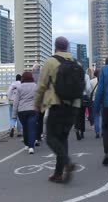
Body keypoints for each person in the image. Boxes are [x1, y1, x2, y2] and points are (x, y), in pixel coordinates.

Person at [34, 36, 82, 183]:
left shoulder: (50, 62)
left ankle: (67, 163)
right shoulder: (76, 63)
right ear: (67, 47)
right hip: (74, 106)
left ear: (55, 47)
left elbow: (42, 85)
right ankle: (58, 174)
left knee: (50, 138)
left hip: (57, 105)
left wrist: (37, 103)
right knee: (63, 138)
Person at [13, 72, 38, 154]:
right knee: (32, 128)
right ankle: (31, 147)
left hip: (21, 111)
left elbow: (16, 102)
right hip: (32, 110)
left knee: (25, 128)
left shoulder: (19, 87)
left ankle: (26, 145)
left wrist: (14, 114)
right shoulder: (35, 86)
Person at [75, 69, 91, 140]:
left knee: (76, 115)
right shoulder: (86, 76)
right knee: (82, 115)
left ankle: (77, 128)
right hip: (83, 96)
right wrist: (88, 95)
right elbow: (88, 88)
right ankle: (82, 132)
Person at [32, 64, 44, 146]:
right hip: (42, 100)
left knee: (33, 118)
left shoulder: (30, 76)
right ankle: (39, 135)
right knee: (40, 119)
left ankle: (33, 136)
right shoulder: (42, 76)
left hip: (32, 100)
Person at [90, 68, 101, 138]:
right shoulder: (103, 80)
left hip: (94, 100)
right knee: (103, 116)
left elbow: (89, 91)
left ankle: (97, 131)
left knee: (96, 116)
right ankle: (103, 130)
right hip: (102, 100)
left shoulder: (91, 81)